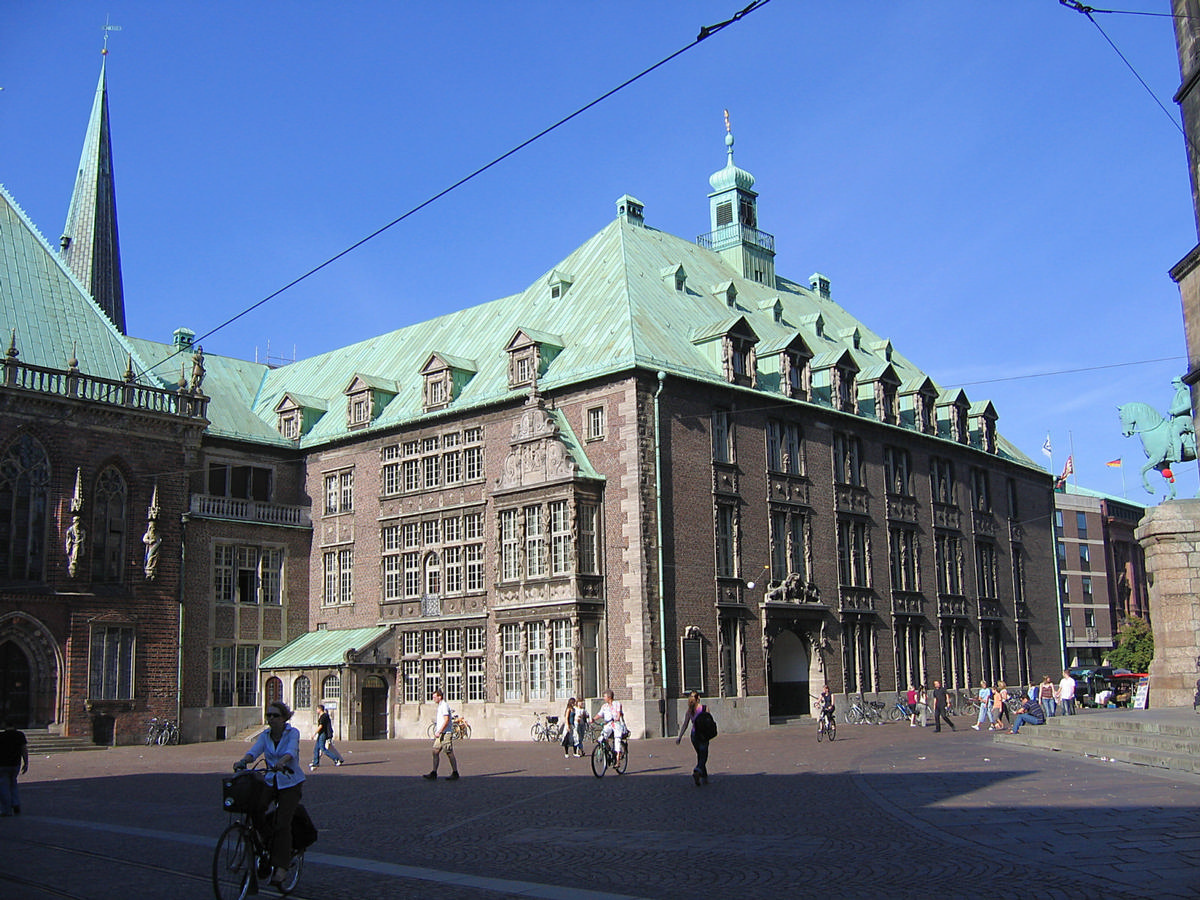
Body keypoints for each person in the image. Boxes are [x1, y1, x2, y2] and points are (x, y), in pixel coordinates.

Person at [233, 700, 305, 886]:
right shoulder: (265, 736)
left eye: (275, 715)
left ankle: (282, 866)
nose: (271, 719)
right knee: (255, 808)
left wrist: (283, 761)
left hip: (290, 782)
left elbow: (292, 750)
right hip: (270, 780)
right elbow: (254, 751)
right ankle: (268, 842)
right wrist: (244, 760)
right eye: (269, 715)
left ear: (284, 718)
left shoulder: (292, 733)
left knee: (283, 823)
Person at [423, 688, 459, 781]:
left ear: (440, 697)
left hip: (446, 733)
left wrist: (439, 731)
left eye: (435, 697)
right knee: (435, 751)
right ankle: (434, 772)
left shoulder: (444, 706)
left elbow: (446, 720)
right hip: (441, 733)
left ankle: (455, 772)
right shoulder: (440, 706)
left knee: (449, 752)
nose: (433, 699)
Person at [675, 691, 710, 785]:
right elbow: (709, 721)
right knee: (704, 756)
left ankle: (704, 778)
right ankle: (697, 771)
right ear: (698, 698)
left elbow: (685, 724)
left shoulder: (689, 711)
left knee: (700, 755)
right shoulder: (704, 708)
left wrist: (680, 737)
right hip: (703, 735)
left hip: (694, 735)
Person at [0, 719, 29, 816]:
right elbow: (24, 750)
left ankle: (6, 810)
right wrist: (26, 763)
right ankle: (15, 803)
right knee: (13, 783)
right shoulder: (20, 735)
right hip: (15, 764)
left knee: (4, 787)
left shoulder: (1, 736)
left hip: (3, 764)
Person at [594, 689, 627, 766]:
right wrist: (593, 719)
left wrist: (617, 718)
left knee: (617, 739)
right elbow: (600, 714)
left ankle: (618, 761)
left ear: (609, 697)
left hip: (617, 724)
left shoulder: (617, 704)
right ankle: (606, 749)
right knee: (603, 736)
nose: (604, 698)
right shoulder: (604, 706)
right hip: (608, 724)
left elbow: (619, 712)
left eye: (605, 696)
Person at [310, 703, 344, 771]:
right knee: (316, 748)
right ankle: (315, 762)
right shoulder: (323, 716)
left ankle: (336, 759)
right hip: (321, 734)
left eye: (317, 709)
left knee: (323, 749)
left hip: (323, 734)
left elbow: (321, 726)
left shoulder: (323, 716)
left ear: (320, 709)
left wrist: (314, 734)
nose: (316, 710)